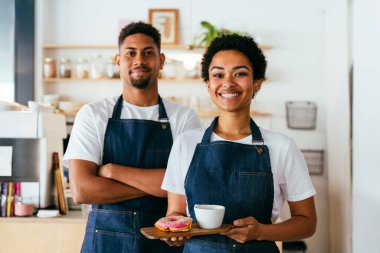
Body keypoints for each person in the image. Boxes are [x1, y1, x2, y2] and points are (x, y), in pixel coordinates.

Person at [161, 34, 317, 253]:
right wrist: (174, 233)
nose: (228, 82)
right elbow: (175, 213)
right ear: (208, 84)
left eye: (240, 73)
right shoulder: (185, 143)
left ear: (257, 83)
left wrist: (261, 231)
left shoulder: (282, 147)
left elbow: (307, 222)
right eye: (218, 74)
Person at [63, 21, 201, 253]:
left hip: (163, 241)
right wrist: (162, 184)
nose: (139, 60)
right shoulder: (93, 114)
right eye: (130, 53)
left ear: (161, 61)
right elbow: (82, 190)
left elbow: (189, 187)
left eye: (148, 53)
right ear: (118, 61)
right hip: (106, 242)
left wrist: (113, 171)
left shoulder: (184, 118)